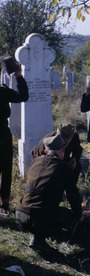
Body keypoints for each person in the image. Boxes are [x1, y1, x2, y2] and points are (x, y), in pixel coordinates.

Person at [16, 134, 83, 252]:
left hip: (20, 215)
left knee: (42, 210)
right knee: (67, 216)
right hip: (39, 218)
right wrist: (78, 215)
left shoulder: (36, 161)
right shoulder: (64, 166)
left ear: (46, 151)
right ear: (62, 150)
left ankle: (38, 237)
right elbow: (73, 196)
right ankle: (44, 237)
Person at [0, 60, 29, 215]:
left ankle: (4, 205)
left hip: (3, 134)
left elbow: (23, 96)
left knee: (5, 170)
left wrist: (19, 76)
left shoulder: (3, 91)